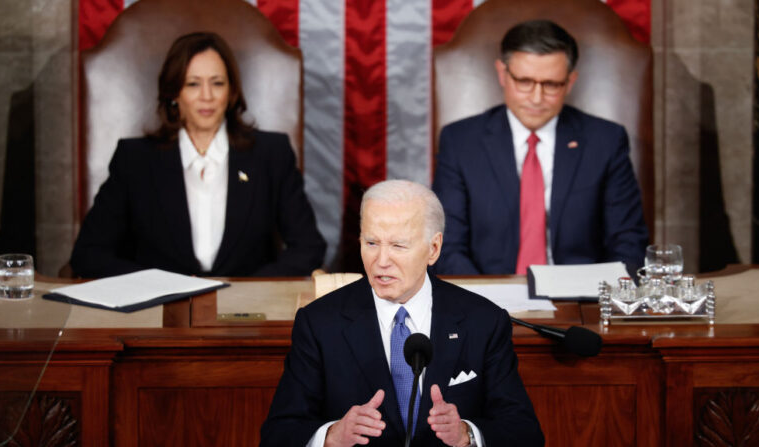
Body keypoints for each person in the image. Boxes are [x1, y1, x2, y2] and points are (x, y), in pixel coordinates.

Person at [261, 180, 543, 447]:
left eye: (398, 246)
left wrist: (466, 434)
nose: (381, 261)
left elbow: (524, 433)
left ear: (433, 249)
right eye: (371, 243)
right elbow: (278, 434)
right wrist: (332, 436)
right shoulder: (319, 323)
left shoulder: (483, 321)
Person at [69, 32, 326, 278]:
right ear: (174, 94)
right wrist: (156, 284)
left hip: (246, 314)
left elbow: (308, 248)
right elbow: (88, 254)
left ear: (231, 91)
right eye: (193, 84)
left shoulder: (271, 153)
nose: (207, 96)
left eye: (217, 83)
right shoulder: (134, 159)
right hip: (158, 314)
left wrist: (247, 290)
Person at [432, 20, 648, 276]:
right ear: (502, 73)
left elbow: (628, 242)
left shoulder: (606, 141)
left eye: (551, 85)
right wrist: (485, 303)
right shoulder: (461, 141)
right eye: (524, 81)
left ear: (570, 81)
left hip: (580, 301)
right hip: (488, 299)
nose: (536, 98)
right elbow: (446, 245)